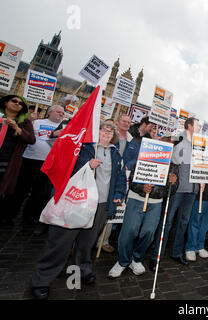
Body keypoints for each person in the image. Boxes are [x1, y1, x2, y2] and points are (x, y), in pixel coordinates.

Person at [30, 121, 127, 300]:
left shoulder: (115, 153)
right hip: (77, 202)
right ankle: (42, 280)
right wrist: (87, 165)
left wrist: (119, 193)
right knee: (61, 242)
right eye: (103, 129)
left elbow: (120, 177)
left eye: (110, 130)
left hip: (101, 204)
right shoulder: (82, 147)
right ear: (94, 131)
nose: (107, 132)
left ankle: (81, 270)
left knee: (86, 242)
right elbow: (66, 165)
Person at [149, 117, 202, 270]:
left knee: (183, 222)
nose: (199, 127)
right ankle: (156, 254)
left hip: (192, 190)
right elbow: (166, 154)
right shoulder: (178, 138)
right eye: (197, 125)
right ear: (189, 126)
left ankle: (176, 252)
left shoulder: (200, 144)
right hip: (177, 188)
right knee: (167, 222)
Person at [108, 165, 178, 278]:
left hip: (155, 203)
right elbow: (131, 181)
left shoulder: (173, 166)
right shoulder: (144, 157)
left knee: (149, 232)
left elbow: (171, 191)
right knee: (129, 231)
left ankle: (136, 258)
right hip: (136, 199)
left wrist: (172, 183)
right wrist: (142, 187)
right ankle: (123, 261)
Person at [10, 105, 65, 231]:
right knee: (21, 189)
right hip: (30, 159)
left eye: (63, 113)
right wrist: (29, 120)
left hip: (49, 164)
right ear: (49, 113)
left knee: (40, 192)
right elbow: (24, 134)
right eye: (58, 111)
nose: (61, 114)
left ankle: (31, 216)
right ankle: (11, 214)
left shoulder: (65, 127)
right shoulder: (37, 122)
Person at [97, 114, 133, 254]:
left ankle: (102, 241)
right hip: (91, 192)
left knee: (107, 219)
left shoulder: (130, 142)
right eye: (123, 121)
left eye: (128, 122)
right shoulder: (91, 148)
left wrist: (126, 167)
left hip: (110, 189)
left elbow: (133, 159)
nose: (126, 124)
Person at [0, 95, 36, 226]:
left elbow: (31, 139)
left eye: (20, 103)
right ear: (6, 103)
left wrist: (17, 128)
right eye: (14, 101)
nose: (17, 104)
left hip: (7, 160)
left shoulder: (24, 122)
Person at [185, 158, 208, 261]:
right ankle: (190, 247)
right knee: (195, 222)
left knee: (206, 223)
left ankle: (199, 246)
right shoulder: (202, 159)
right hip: (201, 195)